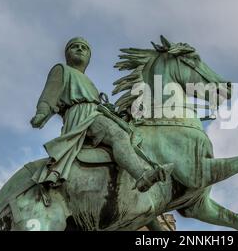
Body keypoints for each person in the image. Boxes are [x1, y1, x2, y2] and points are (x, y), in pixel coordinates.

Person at [30, 37, 173, 192]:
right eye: (75, 47)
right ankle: (142, 176)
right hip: (82, 115)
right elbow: (48, 96)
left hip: (95, 112)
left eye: (84, 48)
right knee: (117, 134)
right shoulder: (62, 70)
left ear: (89, 58)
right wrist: (42, 113)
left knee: (132, 134)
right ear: (67, 54)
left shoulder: (89, 82)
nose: (79, 49)